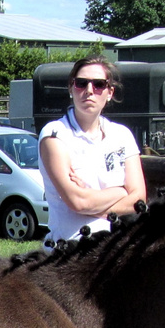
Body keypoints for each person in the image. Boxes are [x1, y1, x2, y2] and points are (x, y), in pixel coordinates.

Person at [38, 56, 145, 248]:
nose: (89, 91)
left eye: (98, 85)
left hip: (117, 249)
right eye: (81, 83)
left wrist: (92, 201)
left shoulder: (123, 135)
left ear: (110, 92)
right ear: (71, 88)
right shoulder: (54, 135)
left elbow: (138, 200)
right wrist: (121, 191)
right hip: (69, 252)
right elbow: (77, 201)